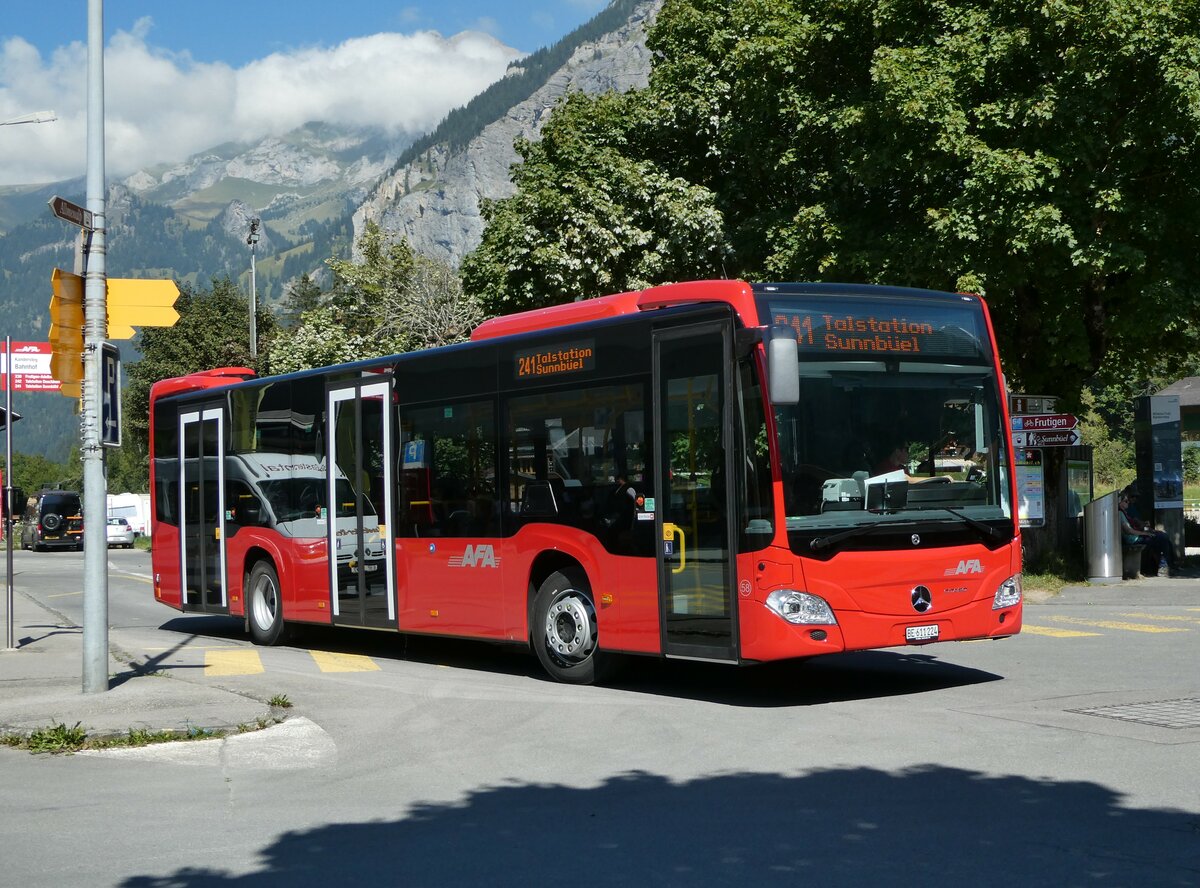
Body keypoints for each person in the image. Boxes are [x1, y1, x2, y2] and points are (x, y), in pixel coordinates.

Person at [1118, 488, 1174, 575]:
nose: (1128, 502)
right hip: (1133, 539)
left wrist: (1148, 530)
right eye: (1126, 501)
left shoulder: (1125, 513)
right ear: (1120, 503)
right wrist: (1145, 533)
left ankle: (1165, 564)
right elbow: (1128, 530)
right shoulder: (1120, 514)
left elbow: (1135, 526)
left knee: (1162, 536)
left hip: (1137, 535)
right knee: (1161, 538)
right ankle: (1163, 566)